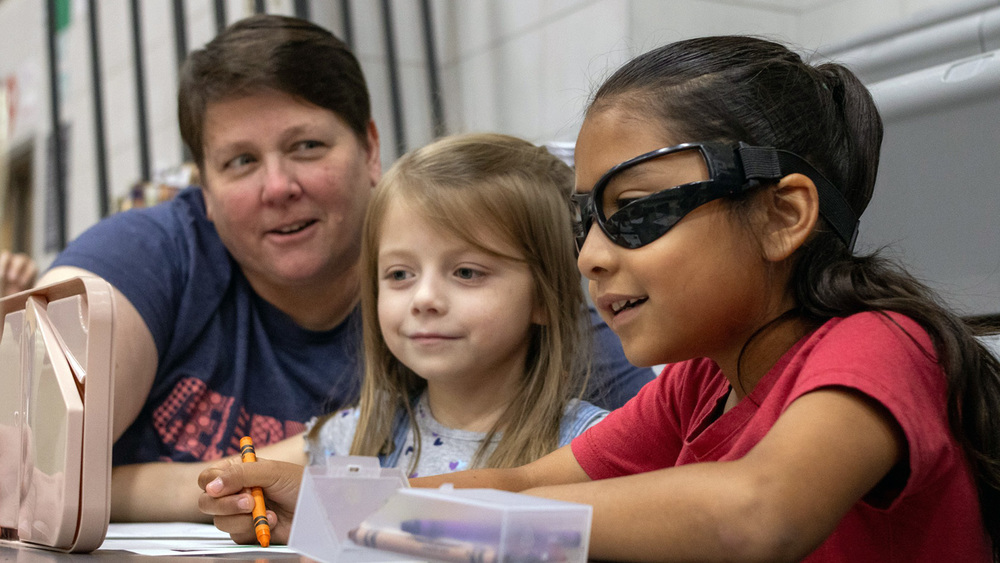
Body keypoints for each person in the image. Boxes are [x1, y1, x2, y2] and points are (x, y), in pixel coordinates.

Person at [208, 36, 1000, 560]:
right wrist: (326, 507)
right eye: (587, 219)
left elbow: (757, 512)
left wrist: (399, 521)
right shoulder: (700, 384)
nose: (588, 255)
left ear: (784, 215)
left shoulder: (880, 344)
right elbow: (522, 483)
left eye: (636, 211)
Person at [34, 15, 652, 522]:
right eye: (241, 161)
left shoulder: (584, 415)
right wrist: (265, 498)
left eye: (307, 146)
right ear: (203, 183)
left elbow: (693, 468)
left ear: (369, 148)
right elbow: (35, 443)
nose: (279, 186)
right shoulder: (351, 433)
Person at [197, 133, 610, 544]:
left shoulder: (594, 445)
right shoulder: (353, 438)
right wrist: (233, 494)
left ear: (544, 295)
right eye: (399, 275)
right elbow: (196, 489)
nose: (424, 298)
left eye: (466, 272)